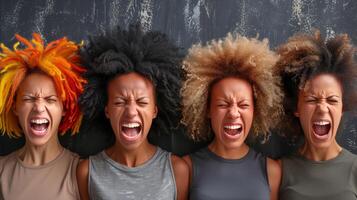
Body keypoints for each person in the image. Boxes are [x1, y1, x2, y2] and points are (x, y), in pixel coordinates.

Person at [76, 24, 189, 200]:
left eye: (142, 102)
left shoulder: (177, 170)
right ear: (107, 110)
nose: (131, 112)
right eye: (120, 102)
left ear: (154, 111)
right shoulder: (87, 172)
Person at [181, 34, 283, 200]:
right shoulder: (185, 168)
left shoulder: (272, 171)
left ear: (256, 111)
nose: (234, 113)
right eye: (223, 104)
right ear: (207, 110)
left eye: (243, 105)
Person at [0, 33, 86, 200]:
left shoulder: (80, 172)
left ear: (64, 108)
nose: (39, 107)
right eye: (28, 99)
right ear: (15, 106)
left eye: (50, 99)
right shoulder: (2, 170)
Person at [276, 31, 357, 200]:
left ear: (343, 108)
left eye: (332, 100)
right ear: (296, 108)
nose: (322, 108)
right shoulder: (278, 170)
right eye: (312, 99)